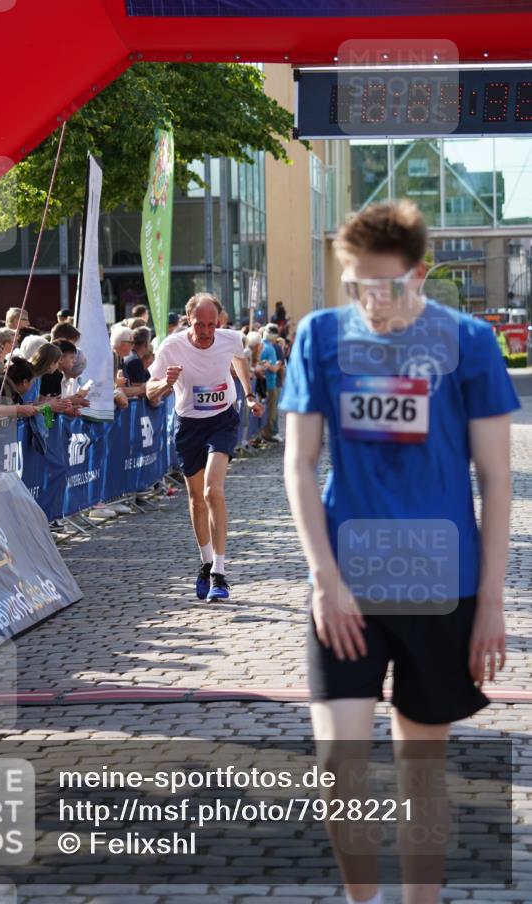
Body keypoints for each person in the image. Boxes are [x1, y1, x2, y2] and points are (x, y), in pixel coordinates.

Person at [281, 200, 519, 904]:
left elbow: (497, 477)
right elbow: (298, 464)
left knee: (420, 774)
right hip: (347, 585)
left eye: (381, 284)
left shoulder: (468, 341)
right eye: (354, 283)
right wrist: (323, 579)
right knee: (338, 766)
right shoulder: (319, 337)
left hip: (440, 585)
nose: (368, 300)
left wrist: (490, 603)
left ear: (417, 273)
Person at [147, 293, 264, 603]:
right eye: (200, 325)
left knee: (214, 491)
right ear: (189, 320)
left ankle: (220, 573)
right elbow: (150, 390)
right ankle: (206, 562)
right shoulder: (172, 346)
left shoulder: (230, 339)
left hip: (223, 418)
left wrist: (249, 394)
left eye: (212, 325)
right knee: (197, 499)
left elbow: (239, 360)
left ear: (219, 322)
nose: (207, 331)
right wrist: (166, 384)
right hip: (188, 424)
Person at [260, 324, 283, 443]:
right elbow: (273, 368)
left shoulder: (261, 345)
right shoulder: (270, 348)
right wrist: (278, 365)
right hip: (270, 383)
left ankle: (263, 432)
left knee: (265, 409)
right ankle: (268, 433)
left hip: (262, 383)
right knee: (271, 410)